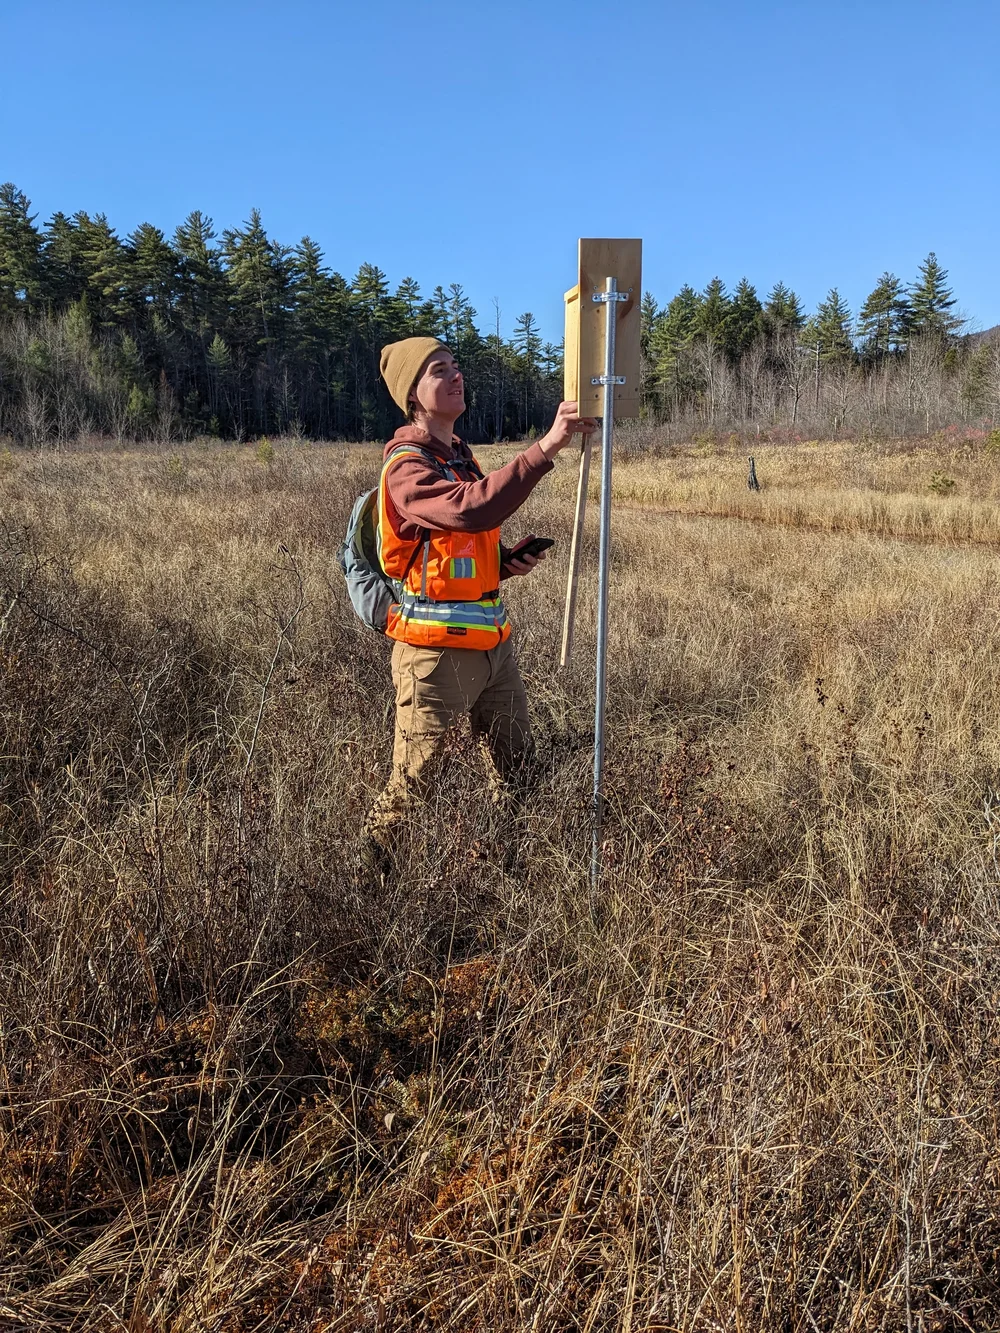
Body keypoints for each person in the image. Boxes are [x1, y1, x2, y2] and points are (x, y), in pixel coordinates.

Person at [359, 335, 597, 880]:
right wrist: (547, 447)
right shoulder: (406, 468)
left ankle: (512, 878)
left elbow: (461, 547)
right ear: (413, 397)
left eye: (456, 366)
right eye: (439, 370)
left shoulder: (460, 459)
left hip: (494, 649)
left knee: (518, 773)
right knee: (409, 790)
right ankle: (366, 894)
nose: (456, 375)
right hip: (434, 656)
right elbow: (469, 512)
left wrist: (502, 563)